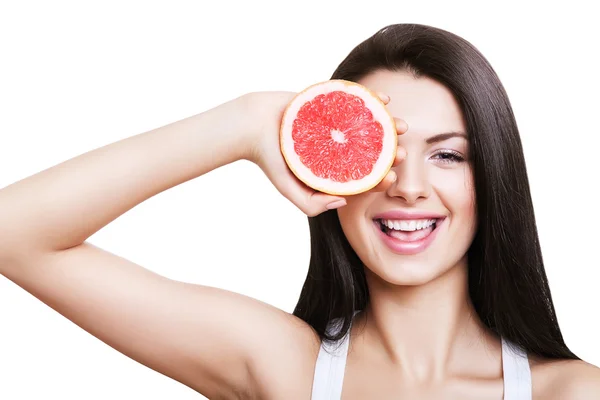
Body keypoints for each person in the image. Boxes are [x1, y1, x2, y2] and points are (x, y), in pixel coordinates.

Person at [0, 22, 598, 399]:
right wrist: (246, 123)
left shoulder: (571, 392)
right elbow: (13, 233)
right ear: (331, 171)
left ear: (494, 177)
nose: (410, 188)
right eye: (380, 152)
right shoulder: (283, 370)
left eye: (448, 156)